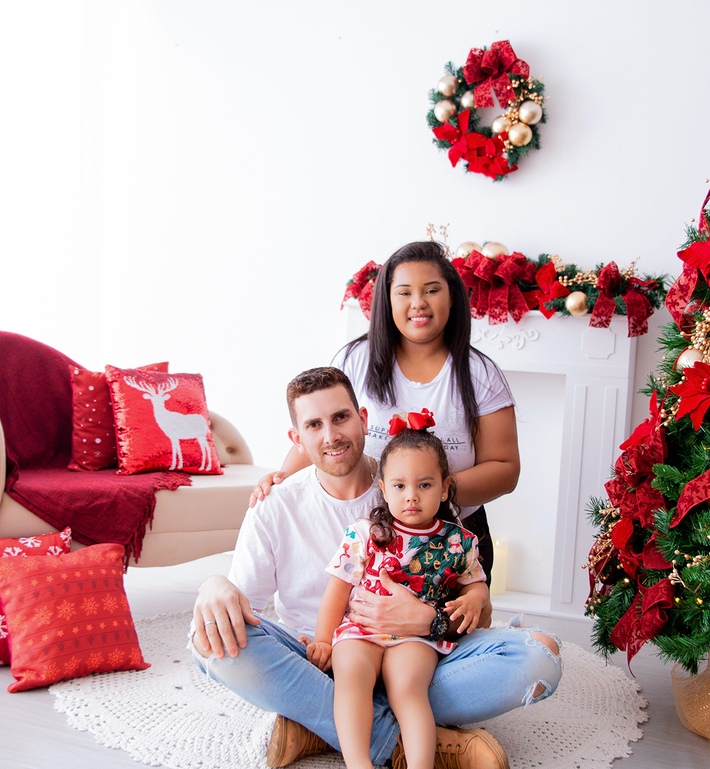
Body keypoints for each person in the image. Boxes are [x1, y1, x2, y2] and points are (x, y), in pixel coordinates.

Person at [191, 367, 561, 769]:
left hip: (420, 657)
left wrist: (427, 621)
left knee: (540, 657)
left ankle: (317, 725)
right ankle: (415, 742)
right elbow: (241, 605)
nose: (331, 435)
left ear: (363, 419)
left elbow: (477, 609)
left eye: (341, 418)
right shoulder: (276, 505)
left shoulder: (412, 482)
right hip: (320, 662)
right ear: (297, 439)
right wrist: (213, 584)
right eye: (314, 425)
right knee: (209, 641)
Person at [252, 240, 519, 594]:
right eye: (404, 292)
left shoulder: (479, 373)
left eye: (432, 290)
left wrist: (430, 490)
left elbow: (505, 468)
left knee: (439, 637)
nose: (418, 303)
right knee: (358, 629)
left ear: (452, 297)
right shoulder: (356, 360)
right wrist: (283, 479)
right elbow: (326, 430)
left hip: (453, 537)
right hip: (367, 533)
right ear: (387, 300)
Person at [311, 414, 488, 769]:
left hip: (414, 636)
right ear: (383, 488)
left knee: (408, 688)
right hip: (361, 629)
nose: (411, 497)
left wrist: (474, 598)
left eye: (424, 485)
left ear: (445, 487)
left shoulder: (458, 542)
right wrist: (324, 641)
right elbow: (338, 588)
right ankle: (358, 762)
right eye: (399, 486)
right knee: (351, 677)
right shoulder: (364, 534)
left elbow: (477, 586)